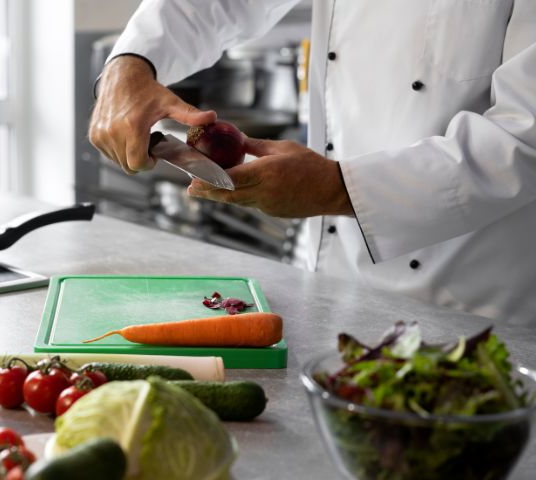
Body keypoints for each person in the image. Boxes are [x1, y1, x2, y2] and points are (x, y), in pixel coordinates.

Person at [89, 0, 536, 326]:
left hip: (474, 306)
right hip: (329, 288)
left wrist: (335, 188)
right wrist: (131, 63)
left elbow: (522, 137)